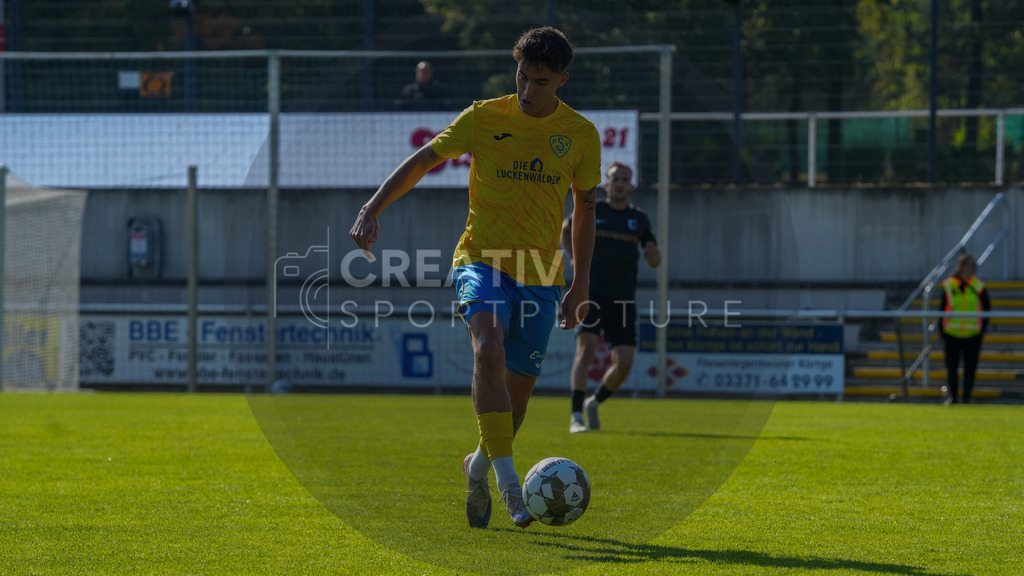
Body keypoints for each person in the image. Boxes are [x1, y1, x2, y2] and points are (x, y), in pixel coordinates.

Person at [350, 27, 600, 529]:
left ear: (563, 81)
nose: (529, 90)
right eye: (523, 77)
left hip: (541, 273)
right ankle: (512, 489)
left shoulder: (581, 135)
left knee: (519, 401)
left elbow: (587, 208)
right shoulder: (485, 116)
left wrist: (580, 284)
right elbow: (425, 160)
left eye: (542, 82)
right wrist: (373, 206)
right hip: (480, 258)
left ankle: (478, 466)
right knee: (488, 348)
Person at [561, 161, 660, 433]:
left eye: (624, 179)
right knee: (586, 350)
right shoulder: (594, 210)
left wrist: (654, 257)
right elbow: (566, 228)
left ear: (631, 185)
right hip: (591, 293)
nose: (619, 183)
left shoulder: (639, 219)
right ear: (606, 184)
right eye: (615, 179)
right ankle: (575, 416)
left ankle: (594, 402)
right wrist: (573, 258)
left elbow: (653, 256)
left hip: (624, 298)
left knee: (625, 362)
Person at [938, 253, 991, 405]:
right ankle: (953, 397)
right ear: (962, 266)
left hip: (973, 334)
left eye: (975, 265)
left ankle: (966, 398)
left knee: (970, 368)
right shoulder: (949, 284)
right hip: (951, 333)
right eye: (971, 265)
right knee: (952, 368)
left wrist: (981, 330)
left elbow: (987, 310)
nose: (974, 268)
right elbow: (942, 310)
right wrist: (941, 331)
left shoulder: (979, 285)